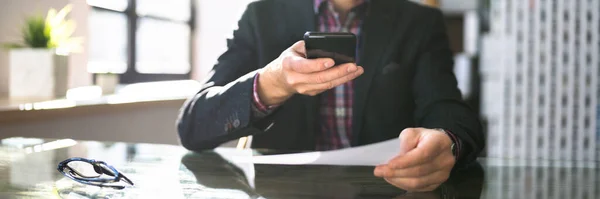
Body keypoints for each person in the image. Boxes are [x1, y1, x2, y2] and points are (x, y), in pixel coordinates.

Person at [177, 0, 484, 192]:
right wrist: (272, 84)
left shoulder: (418, 22)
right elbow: (193, 126)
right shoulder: (261, 15)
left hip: (388, 190)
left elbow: (449, 110)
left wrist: (447, 141)